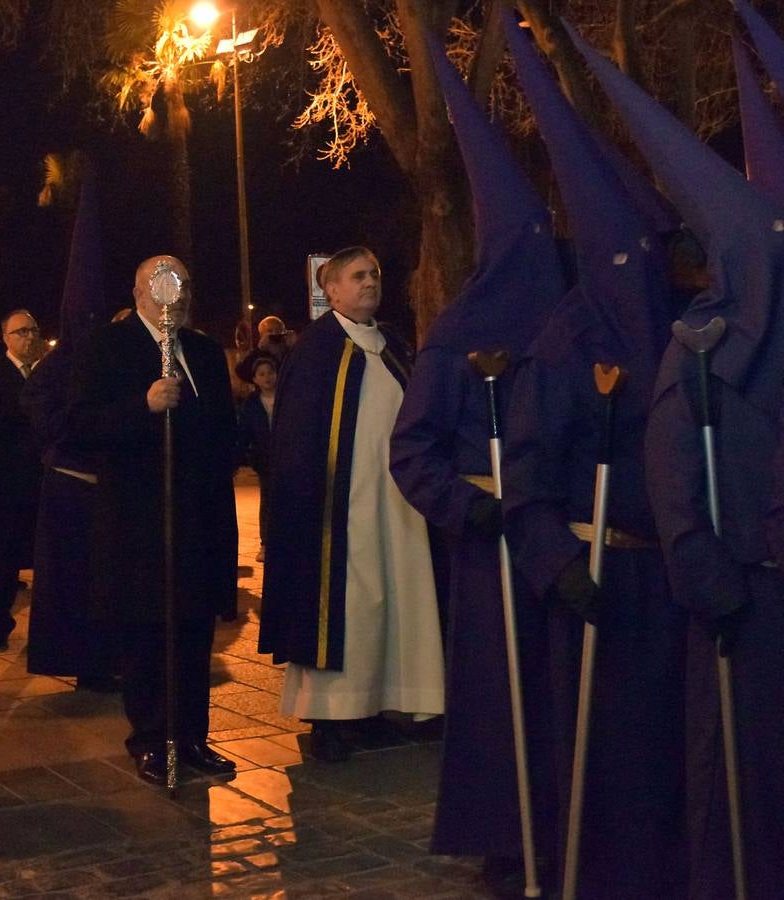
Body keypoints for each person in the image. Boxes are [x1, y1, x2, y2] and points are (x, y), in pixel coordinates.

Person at [572, 13, 784, 897]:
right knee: (736, 778)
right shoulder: (699, 351)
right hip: (744, 594)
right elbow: (673, 480)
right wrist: (712, 583)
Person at [500, 23, 689, 898]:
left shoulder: (681, 327)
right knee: (605, 760)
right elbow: (527, 475)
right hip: (600, 577)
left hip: (674, 581)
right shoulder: (566, 343)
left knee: (676, 759)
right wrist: (558, 564)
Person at [389, 41, 563, 882]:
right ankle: (503, 837)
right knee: (500, 701)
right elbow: (412, 452)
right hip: (490, 552)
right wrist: (470, 505)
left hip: (555, 541)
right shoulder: (453, 344)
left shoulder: (564, 337)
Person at [259, 246, 444, 763]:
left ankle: (392, 703)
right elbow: (296, 443)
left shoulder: (394, 347)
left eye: (375, 275)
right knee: (349, 608)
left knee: (402, 597)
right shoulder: (317, 352)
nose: (369, 283)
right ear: (332, 289)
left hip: (399, 504)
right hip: (338, 513)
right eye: (357, 276)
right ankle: (334, 718)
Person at [64, 254, 238, 785]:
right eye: (166, 284)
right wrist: (141, 407)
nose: (177, 294)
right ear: (140, 292)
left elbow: (222, 428)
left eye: (184, 283)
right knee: (147, 632)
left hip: (200, 516)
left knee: (193, 629)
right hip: (141, 520)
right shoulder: (110, 348)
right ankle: (151, 738)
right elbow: (80, 426)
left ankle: (192, 736)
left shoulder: (204, 352)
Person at [21, 166, 119, 691]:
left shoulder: (114, 361)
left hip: (108, 490)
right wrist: (77, 434)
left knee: (107, 582)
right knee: (71, 584)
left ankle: (108, 660)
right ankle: (80, 661)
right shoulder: (52, 372)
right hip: (69, 489)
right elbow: (42, 412)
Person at [0, 309, 43, 649]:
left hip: (43, 479)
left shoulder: (46, 374)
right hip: (9, 482)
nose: (29, 337)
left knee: (46, 555)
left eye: (33, 330)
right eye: (21, 332)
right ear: (6, 337)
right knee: (4, 559)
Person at [235, 350, 277, 563]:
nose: (267, 377)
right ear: (254, 379)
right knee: (268, 500)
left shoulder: (287, 398)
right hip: (265, 458)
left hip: (286, 456)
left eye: (270, 372)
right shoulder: (251, 404)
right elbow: (244, 432)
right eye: (261, 374)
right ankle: (266, 543)